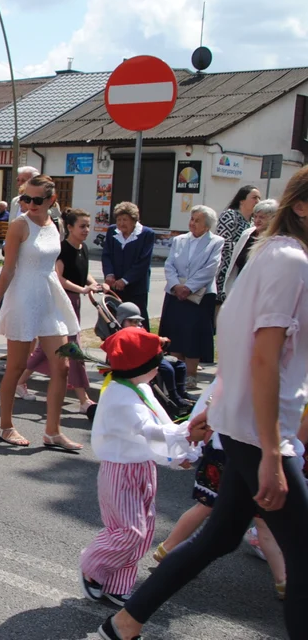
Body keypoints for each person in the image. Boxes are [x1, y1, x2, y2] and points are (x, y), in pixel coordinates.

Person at [104, 166, 308, 640]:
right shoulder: (290, 261)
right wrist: (273, 452)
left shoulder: (272, 255)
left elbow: (239, 349)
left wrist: (213, 412)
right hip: (261, 430)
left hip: (244, 423)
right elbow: (261, 357)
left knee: (219, 536)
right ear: (301, 205)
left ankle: (125, 622)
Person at [80, 327, 201, 610]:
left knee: (143, 533)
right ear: (143, 366)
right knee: (129, 531)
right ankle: (92, 565)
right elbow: (149, 430)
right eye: (156, 362)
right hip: (120, 471)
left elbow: (157, 427)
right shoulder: (119, 395)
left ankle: (117, 585)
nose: (159, 367)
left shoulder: (138, 386)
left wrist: (176, 455)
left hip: (141, 467)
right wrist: (186, 435)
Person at [152, 386, 287, 600]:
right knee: (236, 514)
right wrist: (189, 450)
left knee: (214, 509)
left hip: (239, 453)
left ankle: (167, 549)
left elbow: (203, 412)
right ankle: (283, 581)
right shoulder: (242, 377)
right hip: (235, 454)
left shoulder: (236, 376)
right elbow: (202, 416)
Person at [0, 175, 81, 450]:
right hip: (24, 298)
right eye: (25, 198)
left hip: (49, 298)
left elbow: (53, 265)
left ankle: (53, 432)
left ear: (51, 201)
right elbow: (8, 270)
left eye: (37, 200)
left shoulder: (56, 224)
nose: (30, 204)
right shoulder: (19, 225)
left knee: (62, 366)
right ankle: (5, 426)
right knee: (16, 367)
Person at [16, 208, 104, 413]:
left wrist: (96, 285)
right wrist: (82, 288)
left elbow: (84, 273)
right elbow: (59, 278)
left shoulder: (83, 248)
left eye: (88, 226)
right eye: (82, 226)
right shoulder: (62, 249)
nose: (86, 230)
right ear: (70, 227)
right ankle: (84, 399)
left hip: (75, 302)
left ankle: (20, 382)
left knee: (47, 348)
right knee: (73, 348)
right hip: (61, 301)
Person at [158, 205, 223, 389]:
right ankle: (176, 373)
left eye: (197, 220)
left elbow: (211, 268)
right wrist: (176, 286)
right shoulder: (179, 240)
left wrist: (189, 287)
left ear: (207, 226)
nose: (192, 223)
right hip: (175, 294)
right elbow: (169, 264)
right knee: (175, 334)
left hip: (200, 296)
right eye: (192, 219)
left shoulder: (216, 242)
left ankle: (191, 375)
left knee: (193, 336)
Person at [101, 201, 155, 327]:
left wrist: (125, 280)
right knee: (115, 320)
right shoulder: (112, 231)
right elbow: (106, 255)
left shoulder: (147, 234)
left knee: (136, 320)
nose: (121, 223)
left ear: (134, 220)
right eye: (119, 219)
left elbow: (143, 261)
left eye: (125, 219)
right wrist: (109, 274)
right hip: (114, 286)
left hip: (136, 287)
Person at [215, 184, 262, 305]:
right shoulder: (230, 215)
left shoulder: (253, 223)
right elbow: (223, 242)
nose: (258, 201)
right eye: (254, 197)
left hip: (242, 271)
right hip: (224, 270)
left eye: (259, 198)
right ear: (242, 200)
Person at [223, 198, 278, 297]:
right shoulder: (247, 234)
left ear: (273, 218)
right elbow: (235, 263)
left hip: (261, 293)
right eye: (255, 216)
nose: (257, 220)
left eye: (262, 217)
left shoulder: (276, 240)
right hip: (239, 289)